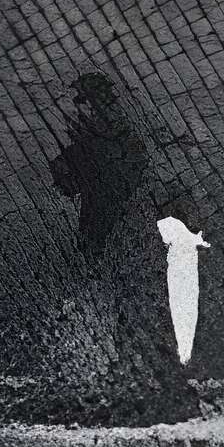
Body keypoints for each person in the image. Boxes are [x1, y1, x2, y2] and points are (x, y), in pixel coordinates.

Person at [49, 72, 199, 424]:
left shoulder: (99, 136)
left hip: (116, 229)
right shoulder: (116, 133)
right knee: (133, 303)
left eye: (82, 99)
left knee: (131, 304)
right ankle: (140, 376)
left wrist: (73, 166)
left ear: (91, 100)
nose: (78, 106)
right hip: (123, 227)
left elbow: (72, 180)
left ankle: (146, 380)